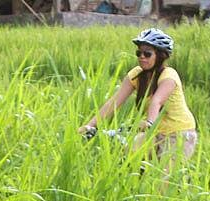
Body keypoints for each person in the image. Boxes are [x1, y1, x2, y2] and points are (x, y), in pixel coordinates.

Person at [78, 29, 198, 160]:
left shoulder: (169, 76)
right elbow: (113, 102)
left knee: (163, 179)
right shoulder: (136, 75)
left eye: (147, 53)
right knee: (128, 156)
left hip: (179, 134)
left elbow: (156, 102)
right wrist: (89, 126)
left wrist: (149, 123)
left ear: (160, 56)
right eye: (138, 53)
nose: (142, 56)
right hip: (155, 132)